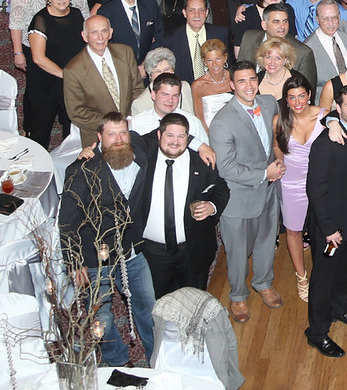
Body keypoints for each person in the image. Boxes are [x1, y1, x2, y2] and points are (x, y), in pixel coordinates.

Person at [58, 112, 156, 366]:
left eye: (122, 132)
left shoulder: (140, 153)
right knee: (102, 317)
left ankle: (156, 356)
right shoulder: (82, 171)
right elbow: (67, 220)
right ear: (99, 138)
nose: (118, 139)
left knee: (148, 309)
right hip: (94, 260)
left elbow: (165, 133)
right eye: (111, 134)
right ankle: (117, 359)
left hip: (132, 254)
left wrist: (199, 143)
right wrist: (74, 261)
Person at [210, 61, 285, 324]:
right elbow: (226, 167)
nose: (249, 85)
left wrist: (279, 161)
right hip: (238, 197)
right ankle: (238, 295)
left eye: (252, 79)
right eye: (241, 81)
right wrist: (265, 174)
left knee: (267, 240)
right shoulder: (222, 121)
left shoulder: (268, 104)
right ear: (232, 85)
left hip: (267, 191)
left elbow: (278, 139)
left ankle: (263, 282)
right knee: (238, 251)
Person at [304, 84, 347, 357]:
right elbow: (316, 189)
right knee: (323, 278)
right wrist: (330, 229)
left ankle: (338, 309)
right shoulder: (325, 142)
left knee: (344, 271)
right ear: (338, 109)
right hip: (330, 229)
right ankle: (317, 333)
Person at [132, 112, 229, 299]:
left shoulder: (202, 162)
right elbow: (119, 143)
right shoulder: (142, 161)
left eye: (181, 136)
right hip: (151, 253)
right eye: (170, 135)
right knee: (158, 305)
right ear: (159, 136)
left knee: (194, 303)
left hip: (193, 250)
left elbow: (222, 189)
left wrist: (212, 206)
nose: (175, 141)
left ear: (188, 138)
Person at [63, 15, 146, 149]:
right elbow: (76, 112)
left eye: (104, 31)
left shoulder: (125, 53)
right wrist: (111, 126)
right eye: (94, 32)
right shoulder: (73, 70)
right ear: (85, 36)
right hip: (96, 137)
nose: (100, 37)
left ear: (111, 33)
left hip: (130, 130)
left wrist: (130, 118)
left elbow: (137, 89)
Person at [23, 0, 85, 146]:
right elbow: (38, 58)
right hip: (45, 84)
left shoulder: (77, 15)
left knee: (72, 129)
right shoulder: (40, 20)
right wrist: (67, 75)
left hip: (69, 84)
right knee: (40, 131)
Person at [101, 0, 159, 66]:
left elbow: (159, 36)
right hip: (121, 68)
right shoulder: (106, 12)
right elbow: (105, 45)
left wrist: (146, 64)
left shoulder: (150, 5)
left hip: (148, 66)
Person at [130, 49, 196, 117]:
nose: (163, 74)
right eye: (157, 71)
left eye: (167, 69)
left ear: (173, 70)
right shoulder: (140, 104)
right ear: (150, 75)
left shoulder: (185, 87)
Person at [190, 39, 233, 129]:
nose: (214, 64)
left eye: (218, 59)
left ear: (225, 58)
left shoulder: (234, 79)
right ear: (204, 62)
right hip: (210, 132)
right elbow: (200, 118)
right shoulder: (198, 85)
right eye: (209, 60)